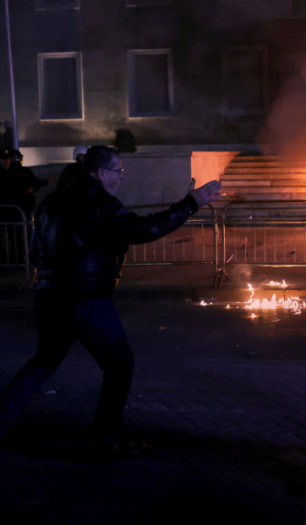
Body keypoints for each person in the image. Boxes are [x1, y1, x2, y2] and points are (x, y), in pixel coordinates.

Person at [0, 145, 222, 460]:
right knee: (119, 364)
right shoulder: (99, 203)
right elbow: (145, 229)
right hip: (85, 298)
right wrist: (191, 203)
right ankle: (106, 441)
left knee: (44, 361)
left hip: (50, 295)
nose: (121, 177)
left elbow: (35, 253)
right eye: (118, 171)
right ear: (100, 173)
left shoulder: (49, 204)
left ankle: (2, 422)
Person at [0, 148, 48, 219]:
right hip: (13, 213)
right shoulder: (18, 173)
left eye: (8, 159)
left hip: (22, 212)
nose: (7, 161)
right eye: (4, 159)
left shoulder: (23, 172)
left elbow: (33, 184)